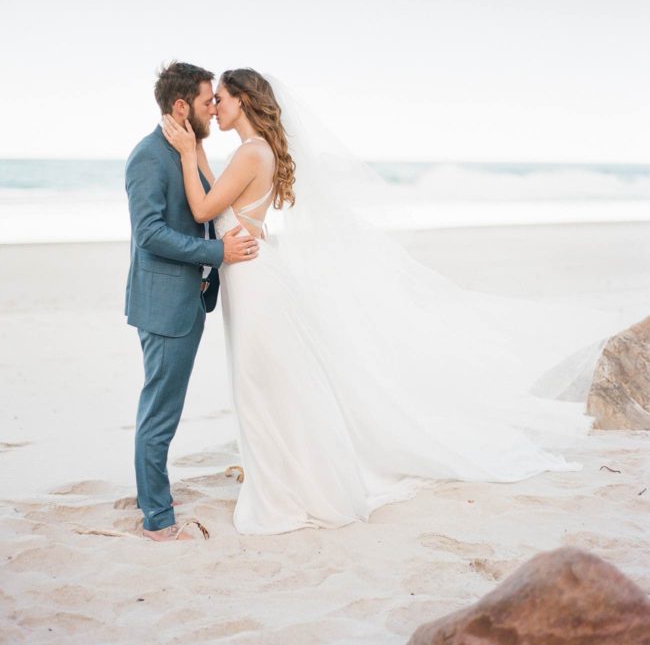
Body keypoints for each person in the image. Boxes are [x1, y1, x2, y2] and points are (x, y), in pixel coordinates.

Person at [162, 68, 620, 535]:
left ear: (242, 99)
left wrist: (184, 150)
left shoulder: (250, 152)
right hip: (250, 279)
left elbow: (202, 209)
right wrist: (196, 147)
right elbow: (219, 202)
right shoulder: (254, 152)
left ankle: (289, 488)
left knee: (260, 387)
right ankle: (285, 477)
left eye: (220, 98)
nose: (214, 106)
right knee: (266, 385)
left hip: (254, 284)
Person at [125, 62, 259, 542]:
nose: (213, 109)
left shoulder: (185, 150)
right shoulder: (148, 157)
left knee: (162, 406)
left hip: (189, 298)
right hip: (164, 304)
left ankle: (149, 496)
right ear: (181, 106)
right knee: (160, 411)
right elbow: (150, 234)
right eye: (208, 102)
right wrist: (216, 253)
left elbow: (205, 208)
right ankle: (158, 520)